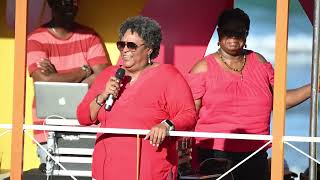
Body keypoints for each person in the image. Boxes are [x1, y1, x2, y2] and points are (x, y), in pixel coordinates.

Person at [186, 8, 313, 180]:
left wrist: (314, 87)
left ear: (246, 34)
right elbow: (189, 114)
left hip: (256, 152)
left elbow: (282, 101)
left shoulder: (259, 61)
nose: (232, 37)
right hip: (214, 154)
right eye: (227, 32)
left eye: (238, 32)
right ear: (218, 33)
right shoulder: (203, 68)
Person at [77, 16, 196, 180]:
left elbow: (189, 115)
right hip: (106, 172)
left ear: (149, 49)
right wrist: (103, 95)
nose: (124, 50)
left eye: (131, 45)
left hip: (149, 172)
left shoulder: (168, 76)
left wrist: (166, 125)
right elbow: (83, 117)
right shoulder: (109, 75)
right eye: (121, 44)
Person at [26, 0, 111, 168]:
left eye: (74, 2)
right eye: (63, 1)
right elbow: (44, 81)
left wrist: (57, 77)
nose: (70, 6)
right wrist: (85, 71)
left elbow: (104, 75)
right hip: (48, 129)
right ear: (51, 3)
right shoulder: (36, 38)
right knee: (53, 175)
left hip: (86, 125)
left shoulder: (90, 36)